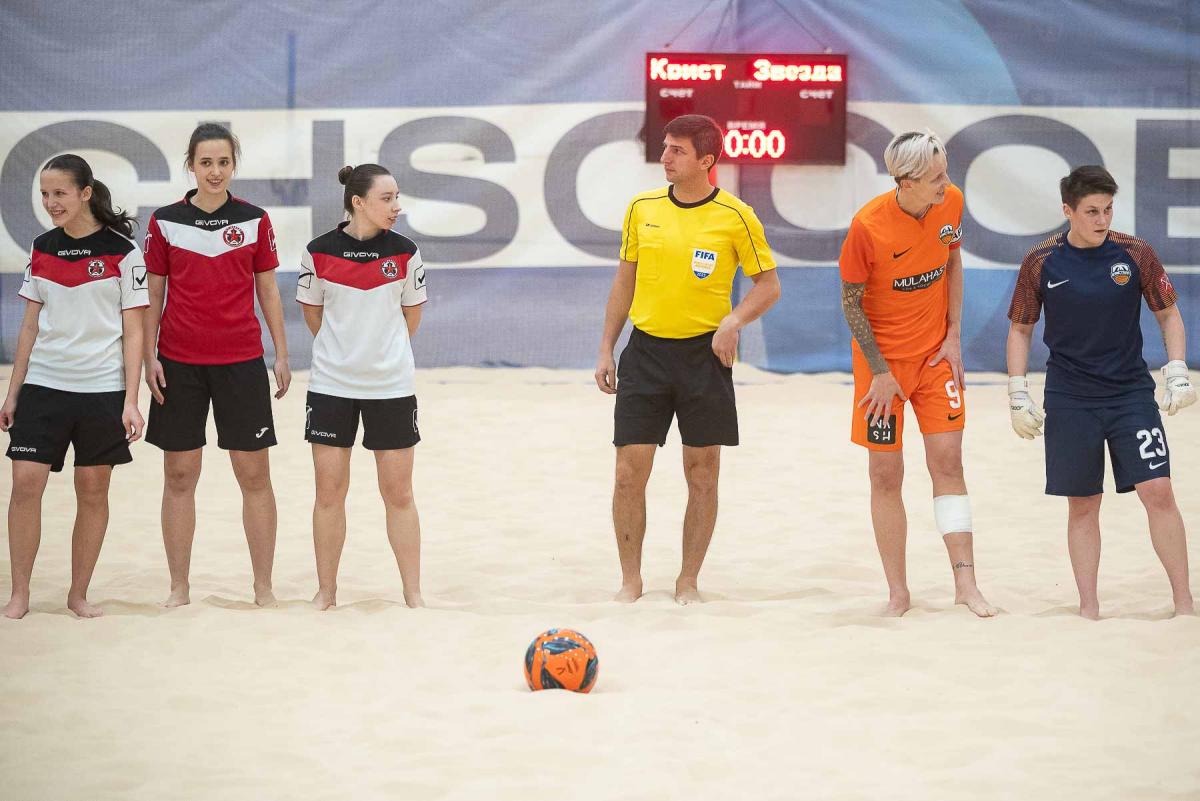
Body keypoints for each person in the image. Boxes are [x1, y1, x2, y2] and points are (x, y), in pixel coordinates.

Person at [595, 114, 781, 605]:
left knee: (702, 475)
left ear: (706, 160)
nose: (665, 157)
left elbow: (768, 285)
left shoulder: (737, 215)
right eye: (665, 147)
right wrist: (606, 347)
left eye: (677, 150)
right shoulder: (642, 207)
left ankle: (688, 581)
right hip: (646, 352)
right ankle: (631, 580)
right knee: (627, 474)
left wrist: (733, 321)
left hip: (705, 357)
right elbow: (624, 280)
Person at [1006, 164, 1196, 619]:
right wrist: (1017, 392)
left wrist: (1176, 369)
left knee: (1159, 491)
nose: (1102, 219)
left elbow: (1169, 314)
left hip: (1130, 394)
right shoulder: (1041, 260)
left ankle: (1185, 602)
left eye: (1108, 209)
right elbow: (1020, 329)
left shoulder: (1136, 253)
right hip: (1069, 398)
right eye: (1092, 211)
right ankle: (1088, 607)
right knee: (1083, 503)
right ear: (1067, 211)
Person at [838, 130, 995, 617]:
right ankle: (898, 593)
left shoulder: (951, 204)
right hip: (881, 370)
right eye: (935, 178)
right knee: (886, 474)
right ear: (905, 182)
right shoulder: (867, 227)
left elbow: (952, 262)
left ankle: (966, 585)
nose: (947, 184)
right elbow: (851, 304)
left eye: (946, 172)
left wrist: (954, 335)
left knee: (949, 464)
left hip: (934, 359)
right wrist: (880, 371)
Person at [142, 123, 290, 608]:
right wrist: (148, 355)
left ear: (233, 165)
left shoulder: (255, 220)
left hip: (241, 363)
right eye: (205, 162)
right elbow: (153, 294)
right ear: (191, 165)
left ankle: (263, 587)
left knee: (255, 477)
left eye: (223, 162)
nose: (214, 171)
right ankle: (178, 587)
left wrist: (281, 352)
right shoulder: (165, 222)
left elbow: (268, 290)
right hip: (178, 364)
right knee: (179, 476)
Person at [2, 154, 147, 619]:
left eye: (59, 193)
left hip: (102, 389)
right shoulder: (42, 246)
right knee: (25, 484)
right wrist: (13, 392)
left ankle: (78, 594)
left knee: (92, 490)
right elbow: (29, 326)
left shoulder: (124, 252)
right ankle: (19, 594)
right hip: (45, 384)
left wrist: (131, 400)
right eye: (45, 194)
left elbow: (135, 332)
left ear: (85, 193)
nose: (51, 202)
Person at [297, 164, 427, 610]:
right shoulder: (318, 251)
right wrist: (345, 356)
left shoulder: (406, 252)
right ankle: (326, 592)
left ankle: (413, 594)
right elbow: (313, 314)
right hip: (331, 386)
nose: (397, 206)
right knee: (329, 494)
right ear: (358, 202)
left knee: (399, 494)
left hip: (391, 386)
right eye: (387, 198)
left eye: (397, 197)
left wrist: (380, 357)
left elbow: (411, 317)